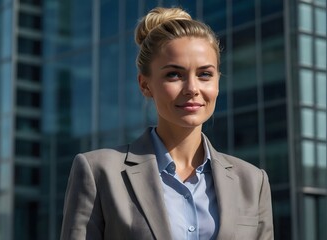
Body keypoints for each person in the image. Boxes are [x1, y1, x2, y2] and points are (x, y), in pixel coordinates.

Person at [60, 7, 274, 240]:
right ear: (145, 84)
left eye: (205, 74)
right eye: (174, 74)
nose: (192, 88)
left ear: (217, 83)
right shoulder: (99, 172)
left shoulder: (253, 181)